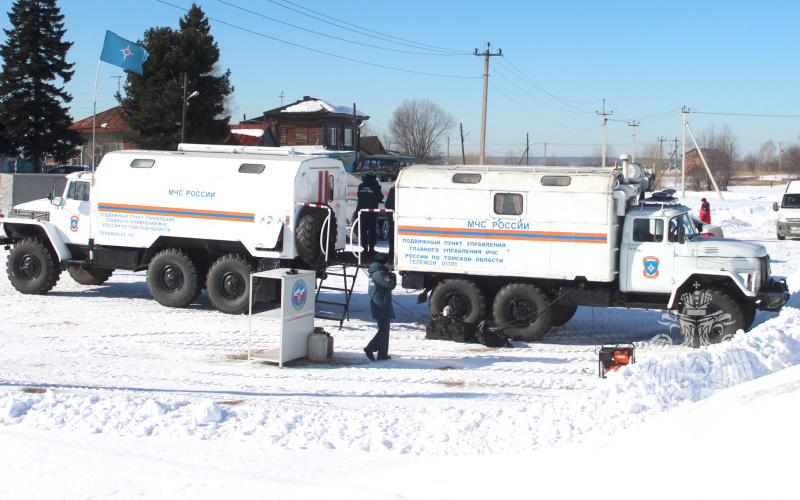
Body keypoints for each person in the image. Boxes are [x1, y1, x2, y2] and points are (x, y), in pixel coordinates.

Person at [364, 253, 396, 361]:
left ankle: (382, 353)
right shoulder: (380, 274)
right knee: (383, 330)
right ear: (385, 263)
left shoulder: (375, 272)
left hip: (379, 302)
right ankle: (370, 348)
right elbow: (390, 284)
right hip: (381, 303)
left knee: (385, 329)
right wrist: (392, 275)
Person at [355, 172, 383, 253]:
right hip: (372, 213)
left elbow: (359, 196)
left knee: (363, 231)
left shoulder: (361, 186)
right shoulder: (375, 186)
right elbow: (380, 197)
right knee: (372, 231)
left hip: (362, 212)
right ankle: (371, 248)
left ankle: (364, 248)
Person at [384, 184, 395, 255]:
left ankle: (391, 250)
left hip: (393, 215)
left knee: (392, 233)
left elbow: (388, 203)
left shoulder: (393, 189)